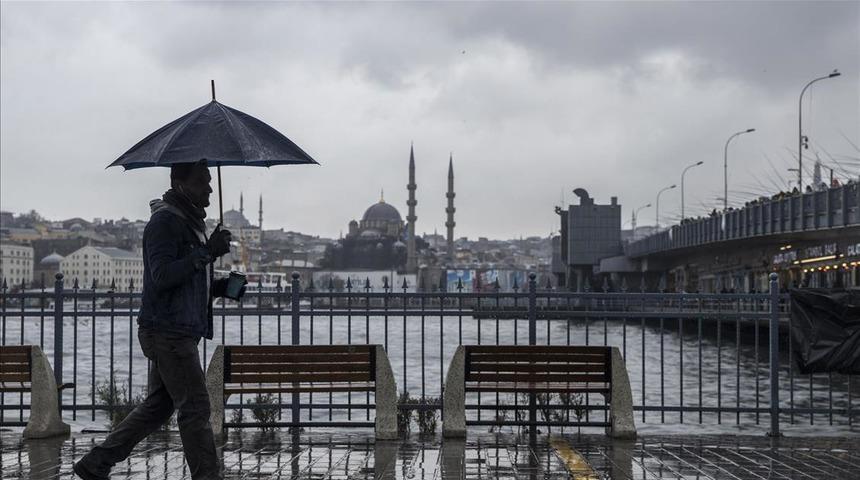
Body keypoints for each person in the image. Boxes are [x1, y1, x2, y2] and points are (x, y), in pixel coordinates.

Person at [74, 160, 244, 480]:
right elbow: (162, 276)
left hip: (177, 330)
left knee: (158, 407)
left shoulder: (190, 223)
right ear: (181, 184)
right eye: (202, 181)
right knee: (195, 408)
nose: (209, 188)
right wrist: (208, 251)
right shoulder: (164, 222)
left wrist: (223, 287)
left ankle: (96, 463)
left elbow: (188, 281)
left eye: (210, 180)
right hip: (168, 331)